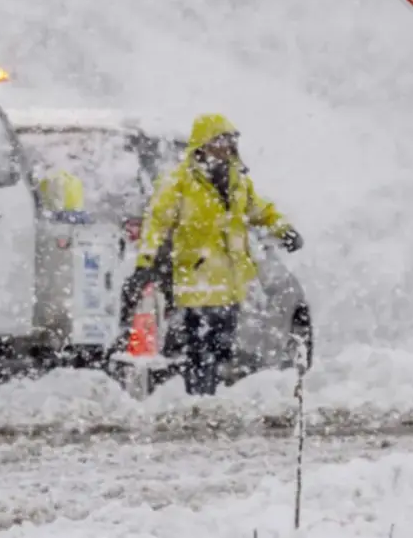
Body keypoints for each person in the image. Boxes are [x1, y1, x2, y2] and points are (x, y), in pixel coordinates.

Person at [125, 113, 303, 396]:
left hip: (230, 282)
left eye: (230, 140)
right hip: (197, 280)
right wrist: (145, 262)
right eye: (220, 139)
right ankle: (199, 398)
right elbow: (156, 223)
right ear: (203, 144)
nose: (226, 146)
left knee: (221, 348)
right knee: (200, 348)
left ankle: (209, 397)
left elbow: (259, 211)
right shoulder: (180, 182)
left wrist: (283, 230)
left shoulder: (237, 181)